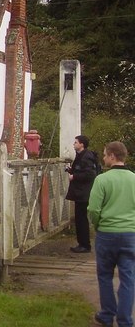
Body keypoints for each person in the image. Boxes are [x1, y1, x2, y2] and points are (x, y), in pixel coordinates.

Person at [88, 141, 135, 327]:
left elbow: (93, 209)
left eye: (106, 155)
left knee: (105, 275)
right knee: (128, 277)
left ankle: (107, 315)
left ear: (113, 156)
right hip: (130, 234)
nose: (104, 158)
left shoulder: (102, 180)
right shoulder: (134, 179)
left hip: (107, 233)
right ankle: (125, 320)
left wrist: (98, 225)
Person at [65, 135, 97, 253]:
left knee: (81, 219)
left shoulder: (86, 157)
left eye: (76, 142)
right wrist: (71, 170)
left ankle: (84, 245)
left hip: (83, 193)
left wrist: (74, 176)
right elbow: (83, 170)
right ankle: (82, 243)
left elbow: (90, 174)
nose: (74, 144)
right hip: (80, 192)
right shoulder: (81, 156)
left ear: (81, 144)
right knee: (80, 218)